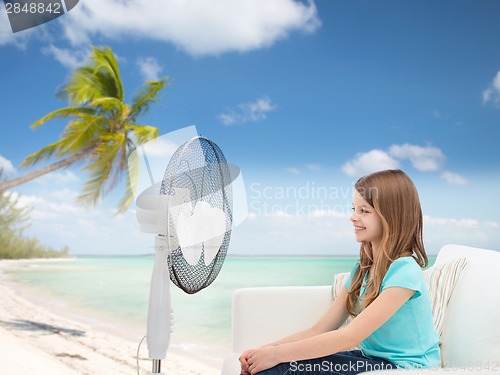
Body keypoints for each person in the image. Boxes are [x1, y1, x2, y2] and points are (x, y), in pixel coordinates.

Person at [239, 169, 441, 375]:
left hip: (405, 367)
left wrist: (276, 356)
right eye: (354, 209)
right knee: (269, 367)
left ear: (392, 216)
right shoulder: (363, 269)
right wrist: (265, 351)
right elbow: (319, 329)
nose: (353, 217)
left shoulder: (404, 270)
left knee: (277, 369)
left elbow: (350, 336)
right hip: (370, 359)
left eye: (364, 211)